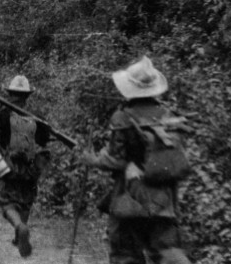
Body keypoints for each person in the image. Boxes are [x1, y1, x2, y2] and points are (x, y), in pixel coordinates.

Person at [82, 56, 192, 264]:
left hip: (129, 199)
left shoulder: (122, 117)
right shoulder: (167, 115)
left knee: (125, 255)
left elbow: (114, 160)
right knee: (168, 253)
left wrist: (93, 159)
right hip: (164, 201)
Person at [0, 75, 51, 258]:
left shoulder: (2, 112)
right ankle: (19, 235)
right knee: (27, 198)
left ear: (10, 92)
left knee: (7, 202)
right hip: (31, 166)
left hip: (10, 164)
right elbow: (44, 140)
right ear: (27, 95)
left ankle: (19, 227)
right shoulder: (37, 115)